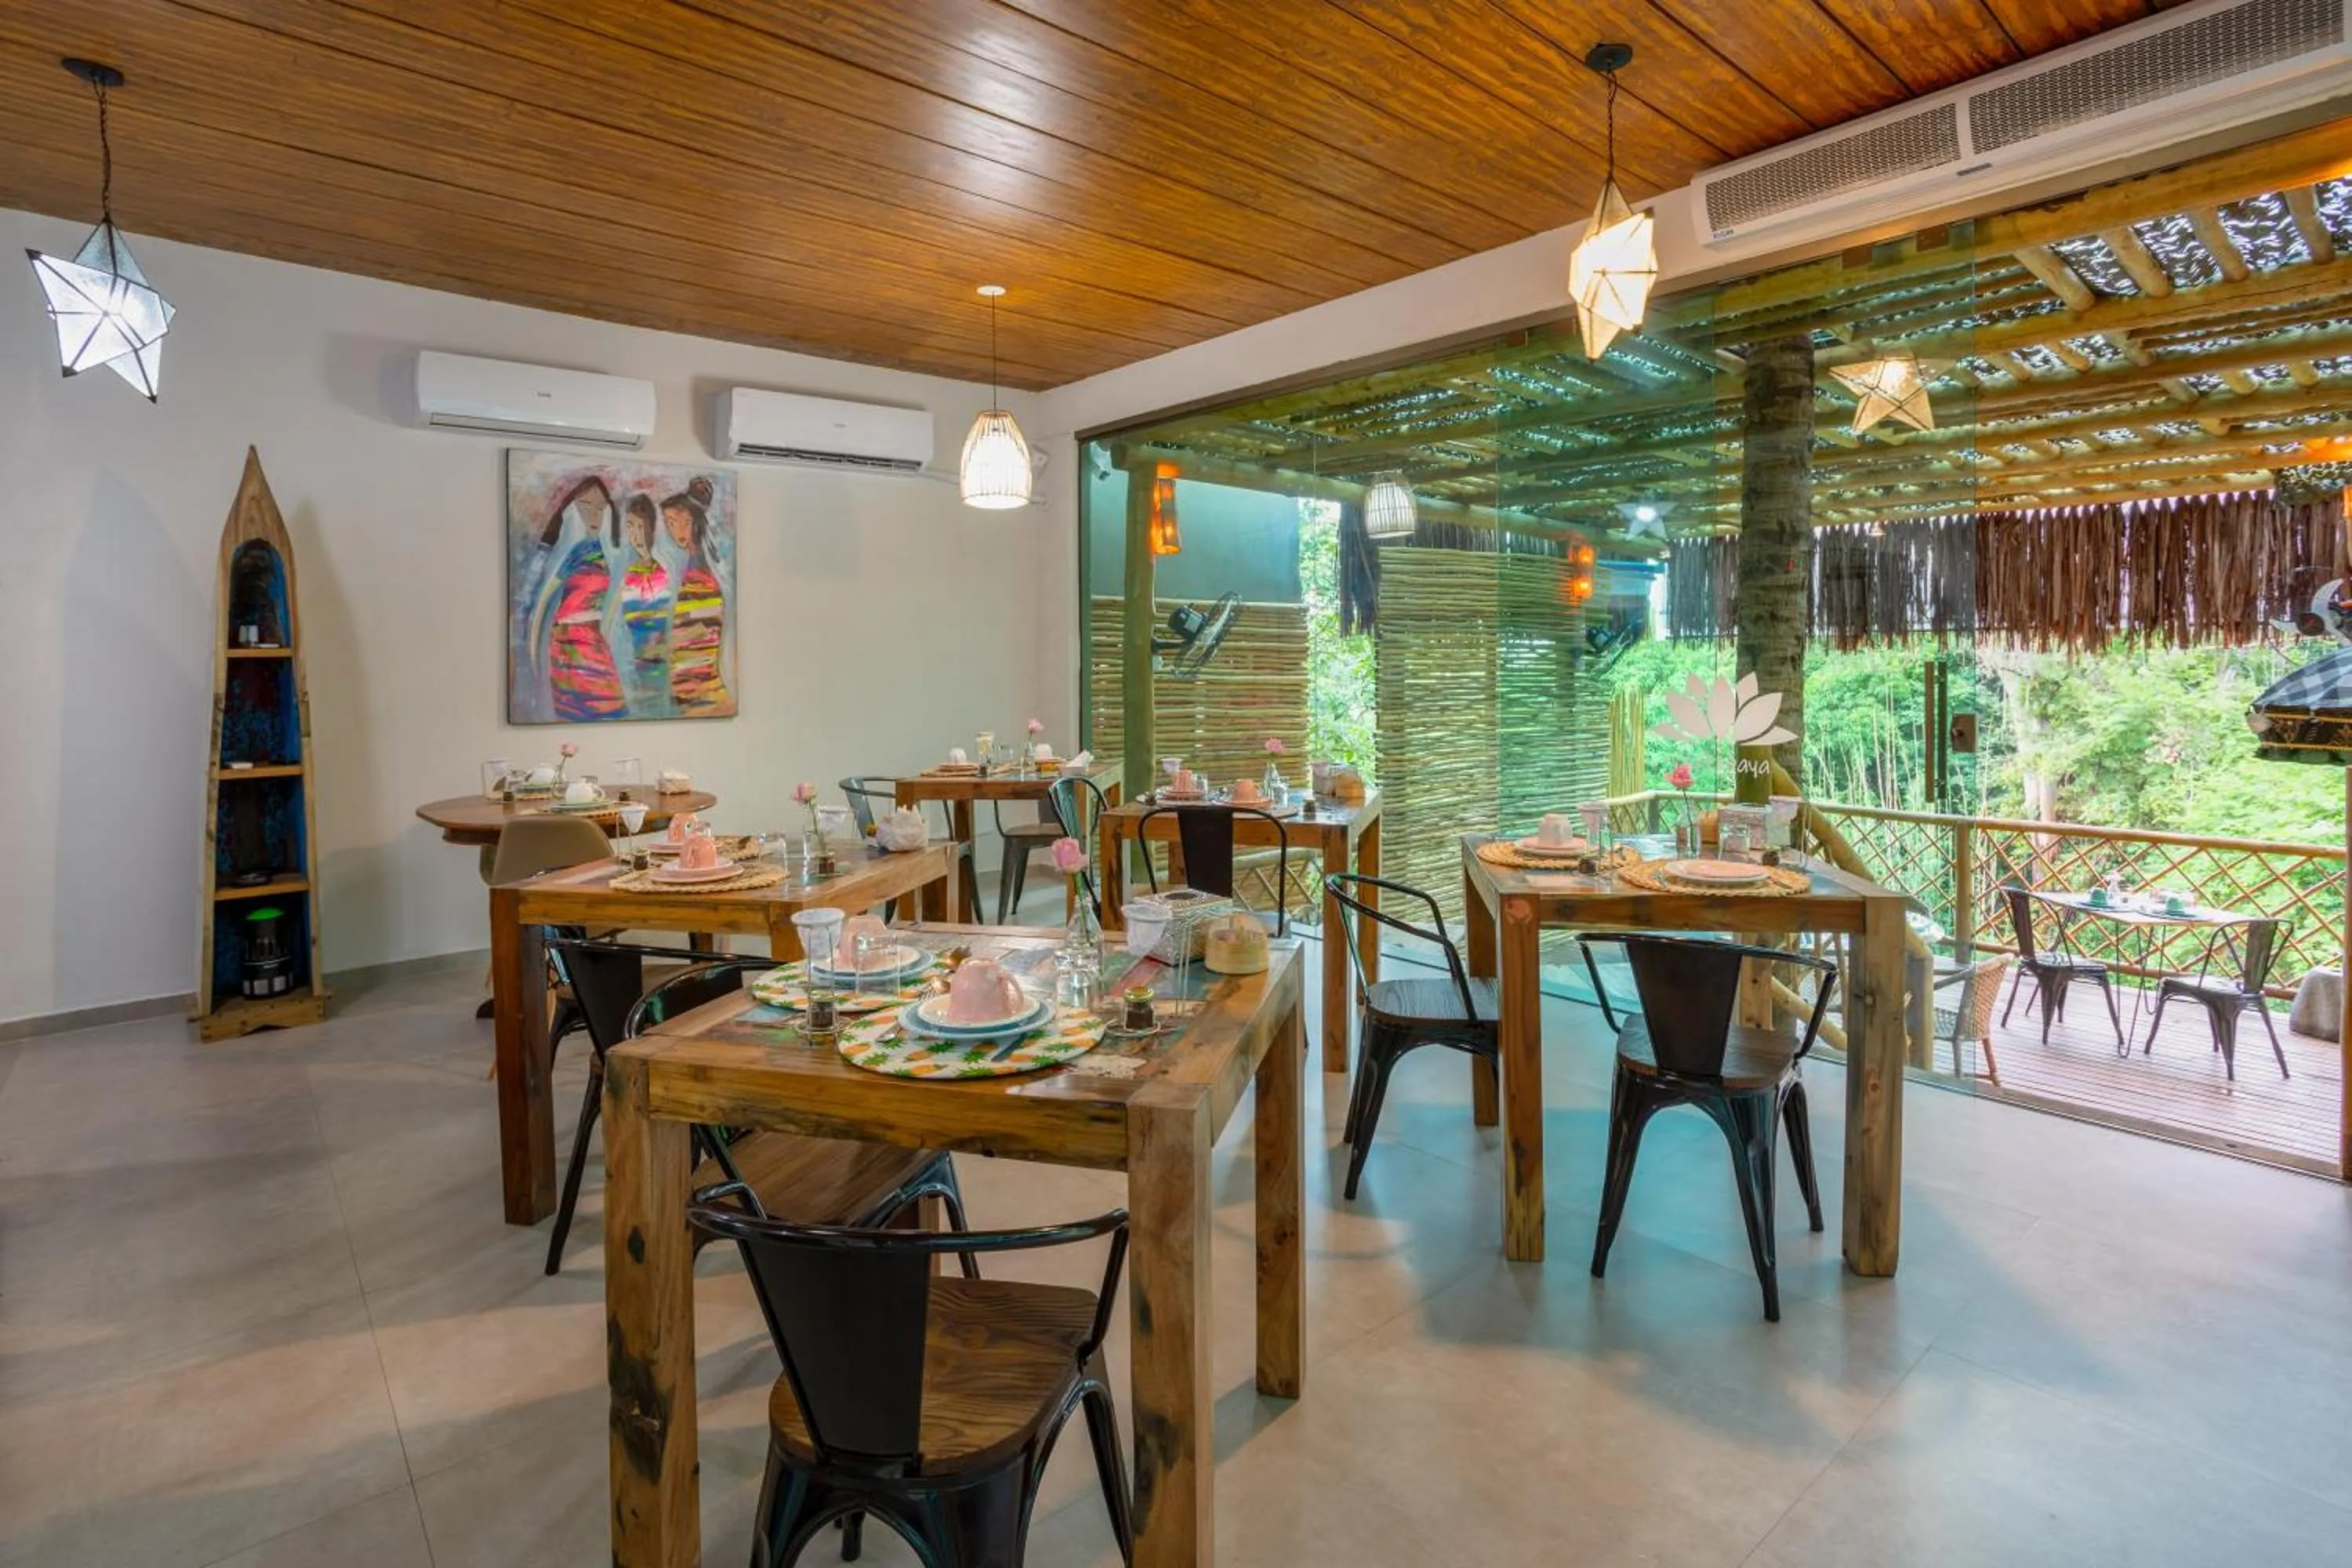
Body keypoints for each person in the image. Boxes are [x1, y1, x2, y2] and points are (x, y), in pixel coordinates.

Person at [524, 476, 625, 721]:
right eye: (585, 506)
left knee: (610, 711)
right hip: (568, 645)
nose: (594, 515)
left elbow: (612, 607)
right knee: (582, 714)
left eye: (601, 508)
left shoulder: (607, 556)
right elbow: (542, 605)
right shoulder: (573, 553)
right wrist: (534, 656)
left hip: (595, 642)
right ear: (571, 509)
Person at [662, 476, 732, 717]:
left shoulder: (703, 575)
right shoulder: (690, 570)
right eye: (670, 523)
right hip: (689, 687)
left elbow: (706, 626)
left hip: (702, 688)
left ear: (696, 522)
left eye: (683, 522)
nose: (676, 530)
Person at [615, 493, 673, 704]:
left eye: (640, 527)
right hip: (633, 665)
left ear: (650, 528)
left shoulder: (663, 572)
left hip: (660, 666)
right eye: (630, 526)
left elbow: (667, 625)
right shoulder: (627, 574)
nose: (636, 535)